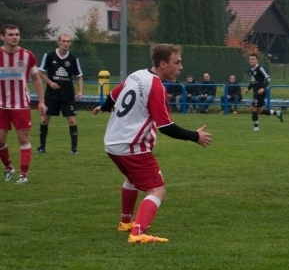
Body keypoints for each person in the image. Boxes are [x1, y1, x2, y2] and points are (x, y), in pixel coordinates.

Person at [92, 44, 212, 243]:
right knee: (158, 190)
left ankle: (126, 222)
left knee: (133, 179)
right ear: (163, 64)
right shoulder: (156, 87)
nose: (180, 67)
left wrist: (103, 107)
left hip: (112, 143)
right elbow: (166, 126)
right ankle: (138, 233)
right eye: (177, 62)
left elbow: (113, 95)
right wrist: (195, 136)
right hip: (131, 146)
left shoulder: (137, 75)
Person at [0, 24, 47, 184]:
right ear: (3, 37)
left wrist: (41, 101)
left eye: (17, 34)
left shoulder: (27, 55)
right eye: (11, 34)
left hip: (21, 105)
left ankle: (23, 175)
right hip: (1, 105)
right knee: (0, 140)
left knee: (23, 139)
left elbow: (36, 79)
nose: (15, 37)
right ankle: (9, 167)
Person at [36, 33, 84, 155]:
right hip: (51, 95)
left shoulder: (73, 59)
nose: (66, 43)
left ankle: (74, 149)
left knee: (72, 121)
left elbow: (79, 76)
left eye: (68, 41)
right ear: (58, 42)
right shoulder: (49, 55)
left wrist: (80, 91)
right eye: (63, 41)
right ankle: (42, 147)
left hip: (67, 95)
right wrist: (50, 82)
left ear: (70, 43)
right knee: (45, 119)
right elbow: (40, 71)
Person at [244, 53, 282, 130]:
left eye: (253, 59)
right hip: (256, 92)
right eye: (250, 59)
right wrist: (248, 88)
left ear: (257, 60)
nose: (251, 61)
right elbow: (252, 82)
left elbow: (268, 78)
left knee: (253, 108)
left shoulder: (260, 68)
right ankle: (277, 113)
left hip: (259, 92)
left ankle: (256, 127)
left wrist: (263, 88)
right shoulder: (252, 70)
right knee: (258, 110)